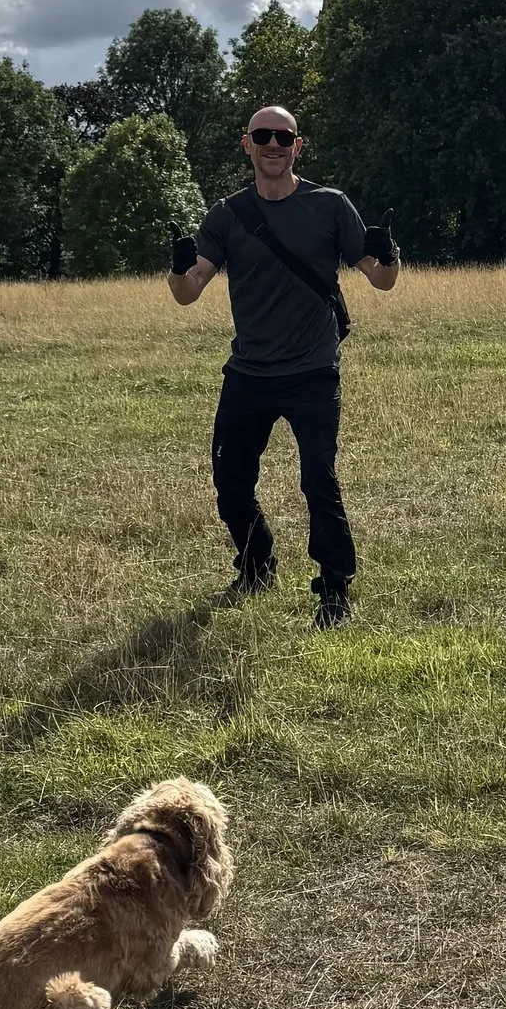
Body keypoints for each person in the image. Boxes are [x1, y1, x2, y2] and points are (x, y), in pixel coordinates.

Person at [169, 104, 398, 628]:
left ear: (298, 146)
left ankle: (334, 590)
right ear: (246, 144)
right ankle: (256, 565)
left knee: (319, 479)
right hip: (249, 372)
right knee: (230, 482)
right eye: (262, 136)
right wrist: (178, 269)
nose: (272, 144)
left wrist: (390, 259)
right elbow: (189, 292)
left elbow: (379, 279)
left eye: (283, 136)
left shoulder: (330, 206)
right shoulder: (226, 215)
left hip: (313, 371)